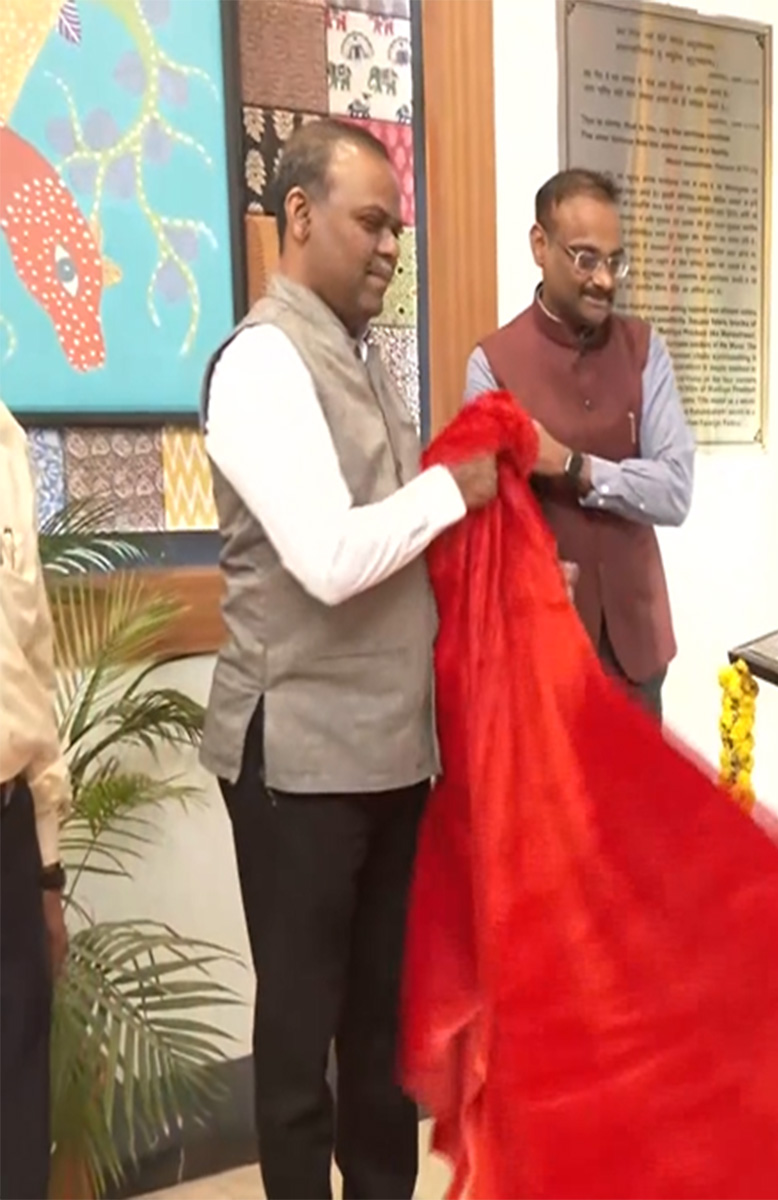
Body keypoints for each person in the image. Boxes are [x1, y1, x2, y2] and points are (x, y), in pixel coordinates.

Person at [199, 120, 497, 1200]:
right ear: (298, 216)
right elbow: (329, 558)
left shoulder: (363, 357)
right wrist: (452, 490)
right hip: (299, 764)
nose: (389, 248)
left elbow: (395, 542)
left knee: (381, 1033)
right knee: (301, 1040)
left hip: (388, 754)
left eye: (397, 229)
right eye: (371, 222)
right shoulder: (261, 362)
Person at [465, 168, 695, 723]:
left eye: (615, 261)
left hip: (638, 652)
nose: (605, 281)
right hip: (541, 653)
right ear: (539, 246)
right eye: (586, 259)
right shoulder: (492, 365)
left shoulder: (645, 350)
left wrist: (573, 466)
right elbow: (481, 517)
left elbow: (674, 491)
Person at [0, 400, 70, 1200]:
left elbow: (31, 657)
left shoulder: (5, 441)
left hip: (8, 825)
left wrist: (48, 870)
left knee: (17, 1113)